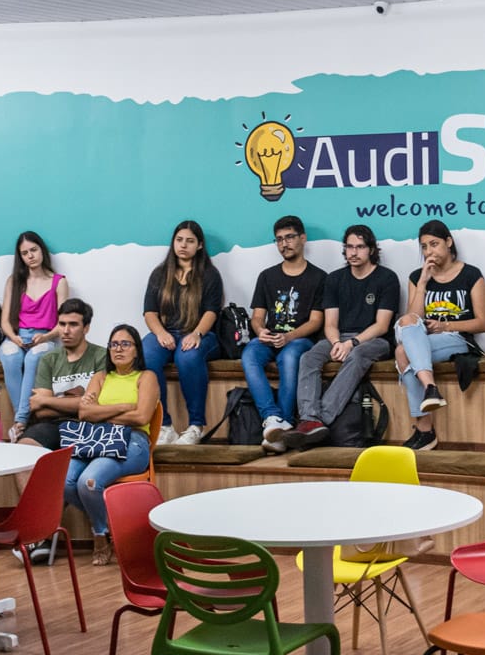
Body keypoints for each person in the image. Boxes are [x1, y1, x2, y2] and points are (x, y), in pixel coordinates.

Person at [284, 223, 401, 449]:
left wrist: (352, 343)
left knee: (357, 356)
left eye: (359, 247)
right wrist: (337, 342)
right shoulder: (335, 279)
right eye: (349, 247)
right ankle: (308, 419)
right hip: (339, 337)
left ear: (371, 250)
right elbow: (330, 324)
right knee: (309, 357)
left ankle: (322, 419)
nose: (353, 252)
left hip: (373, 340)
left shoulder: (387, 278)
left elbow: (382, 325)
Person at [393, 220, 485, 452]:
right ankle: (430, 388)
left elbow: (483, 323)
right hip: (423, 338)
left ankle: (425, 431)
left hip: (457, 339)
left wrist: (445, 326)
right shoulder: (418, 276)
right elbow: (412, 319)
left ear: (448, 242)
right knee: (404, 338)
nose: (429, 252)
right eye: (424, 247)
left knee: (401, 351)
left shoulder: (471, 274)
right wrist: (424, 282)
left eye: (434, 244)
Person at [70, 325, 161, 564]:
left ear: (136, 351)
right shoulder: (100, 377)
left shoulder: (146, 377)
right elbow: (83, 413)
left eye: (125, 344)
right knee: (65, 480)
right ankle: (116, 529)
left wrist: (100, 412)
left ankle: (100, 535)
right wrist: (124, 407)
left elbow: (141, 418)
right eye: (114, 344)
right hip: (97, 440)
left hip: (133, 441)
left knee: (89, 482)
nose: (118, 349)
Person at [244, 215, 327, 452]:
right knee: (249, 355)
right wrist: (260, 331)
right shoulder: (267, 276)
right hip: (270, 338)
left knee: (289, 358)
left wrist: (289, 337)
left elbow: (316, 321)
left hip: (300, 339)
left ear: (302, 238)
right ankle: (273, 419)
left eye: (289, 237)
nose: (284, 244)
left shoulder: (319, 277)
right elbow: (257, 316)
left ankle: (283, 427)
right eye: (279, 239)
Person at [141, 219, 224, 445]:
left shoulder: (209, 274)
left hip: (201, 333)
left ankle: (196, 425)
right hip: (166, 332)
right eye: (179, 240)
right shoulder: (159, 274)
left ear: (199, 245)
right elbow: (149, 312)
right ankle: (164, 425)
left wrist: (196, 333)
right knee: (146, 355)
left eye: (189, 241)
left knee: (187, 357)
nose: (183, 245)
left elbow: (211, 312)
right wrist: (160, 333)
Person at [0, 230, 67, 438]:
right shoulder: (14, 281)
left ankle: (20, 422)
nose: (30, 256)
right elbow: (5, 321)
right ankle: (25, 419)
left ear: (42, 250)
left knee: (34, 357)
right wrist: (13, 336)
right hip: (17, 336)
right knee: (10, 357)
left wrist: (45, 337)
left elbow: (62, 323)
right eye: (25, 253)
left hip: (46, 336)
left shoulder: (59, 281)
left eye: (34, 250)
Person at [23, 299, 107, 453]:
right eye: (62, 324)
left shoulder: (102, 356)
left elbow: (96, 406)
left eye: (73, 324)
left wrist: (46, 401)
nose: (66, 331)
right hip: (54, 425)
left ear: (86, 328)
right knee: (25, 448)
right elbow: (41, 411)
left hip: (92, 425)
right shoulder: (49, 359)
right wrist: (79, 403)